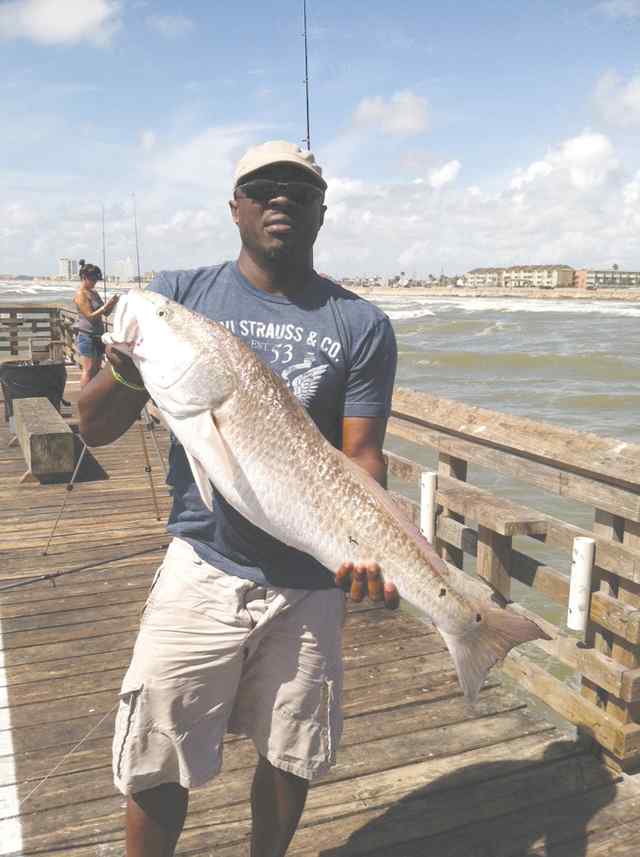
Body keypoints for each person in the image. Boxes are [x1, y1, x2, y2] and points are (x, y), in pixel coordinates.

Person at [78, 140, 399, 857]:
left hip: (313, 577)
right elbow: (94, 428)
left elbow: (362, 454)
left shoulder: (361, 324)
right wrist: (134, 359)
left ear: (321, 211)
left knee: (291, 749)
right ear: (235, 207)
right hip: (204, 561)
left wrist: (373, 545)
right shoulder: (180, 297)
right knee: (158, 747)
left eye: (298, 189)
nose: (280, 197)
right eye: (261, 187)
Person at [73, 263, 118, 388]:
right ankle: (84, 396)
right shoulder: (80, 294)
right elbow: (90, 316)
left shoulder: (94, 293)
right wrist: (105, 307)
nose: (95, 282)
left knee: (97, 369)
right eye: (92, 279)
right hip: (87, 337)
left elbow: (106, 313)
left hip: (99, 336)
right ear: (84, 277)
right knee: (88, 370)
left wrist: (112, 304)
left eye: (96, 279)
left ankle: (92, 395)